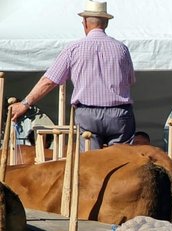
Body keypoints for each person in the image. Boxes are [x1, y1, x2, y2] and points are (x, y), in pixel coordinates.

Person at [10, 1, 136, 147]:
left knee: (90, 164)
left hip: (87, 114)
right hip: (119, 114)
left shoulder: (73, 49)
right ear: (106, 23)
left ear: (85, 23)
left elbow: (49, 81)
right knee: (121, 161)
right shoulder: (122, 49)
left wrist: (25, 103)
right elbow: (130, 80)